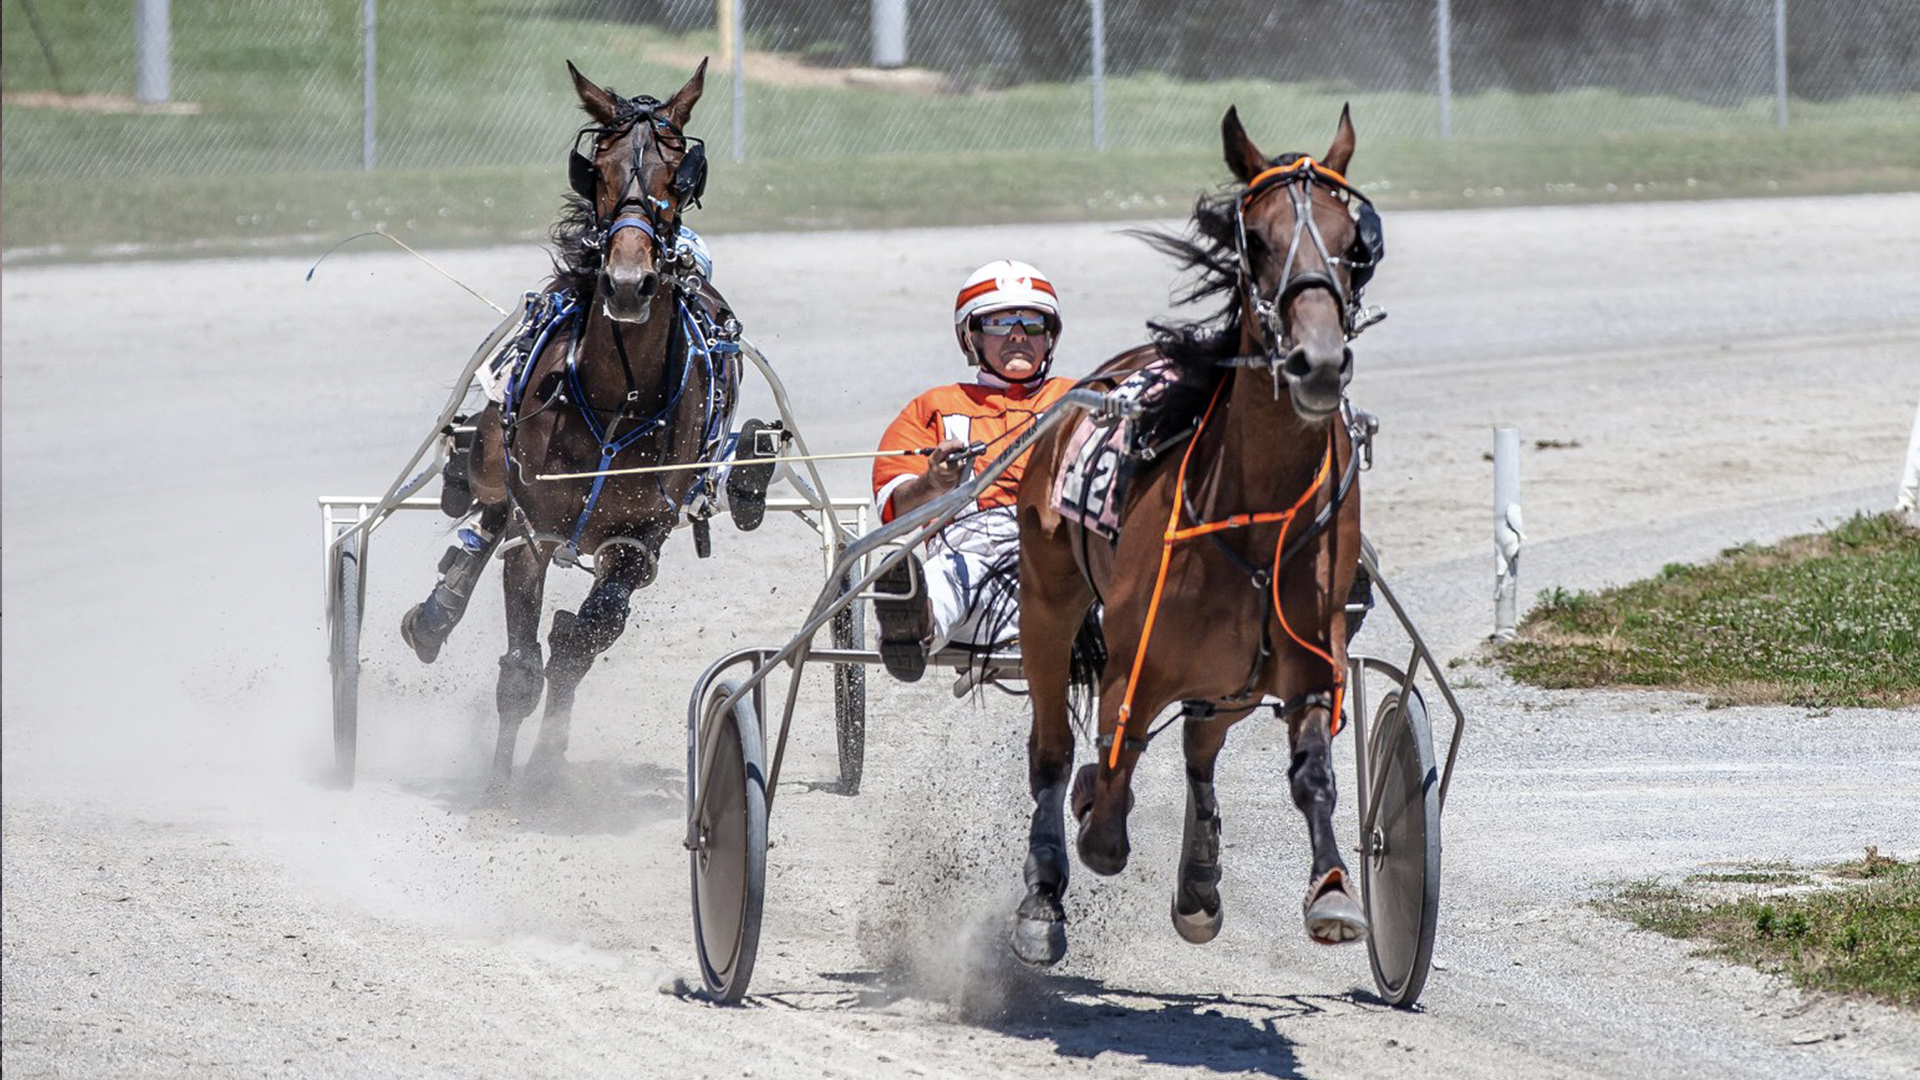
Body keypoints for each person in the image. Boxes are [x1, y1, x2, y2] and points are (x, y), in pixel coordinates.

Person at [870, 259, 1076, 681]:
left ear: (1049, 337)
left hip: (1070, 554)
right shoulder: (933, 407)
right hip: (971, 550)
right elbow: (893, 508)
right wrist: (934, 483)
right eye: (1000, 322)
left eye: (1032, 323)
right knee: (946, 577)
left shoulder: (1083, 398)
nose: (1018, 334)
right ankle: (915, 624)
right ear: (972, 336)